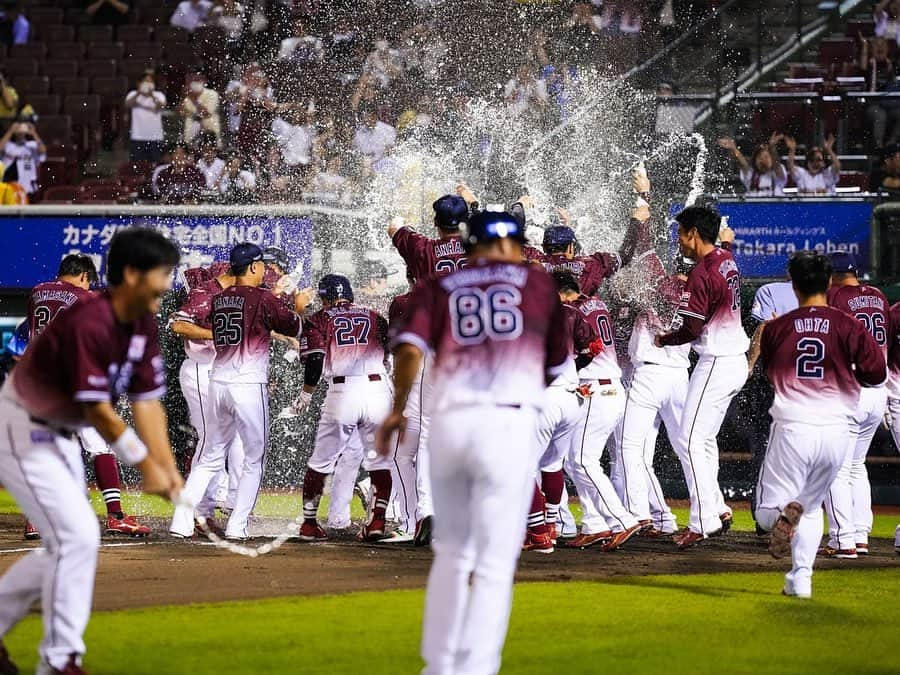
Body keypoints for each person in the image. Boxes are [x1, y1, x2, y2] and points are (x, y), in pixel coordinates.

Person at [376, 210, 570, 674]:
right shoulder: (539, 287)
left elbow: (408, 350)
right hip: (507, 423)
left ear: (470, 244)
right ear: (515, 244)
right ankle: (477, 667)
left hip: (452, 424)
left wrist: (398, 408)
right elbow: (557, 367)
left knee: (453, 556)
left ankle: (439, 666)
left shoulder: (438, 287)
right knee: (494, 564)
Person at [0, 228, 182, 675]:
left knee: (69, 545)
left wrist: (168, 466)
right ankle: (61, 659)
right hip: (22, 427)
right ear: (132, 275)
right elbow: (97, 410)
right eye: (160, 278)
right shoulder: (88, 320)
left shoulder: (140, 323)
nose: (164, 290)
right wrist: (145, 463)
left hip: (57, 431)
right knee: (77, 538)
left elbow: (147, 402)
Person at [755, 252, 885, 599]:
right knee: (812, 508)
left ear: (793, 285)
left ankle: (781, 515)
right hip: (837, 431)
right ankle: (800, 580)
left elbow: (772, 373)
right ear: (829, 283)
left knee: (765, 514)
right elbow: (877, 373)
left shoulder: (778, 328)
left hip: (792, 427)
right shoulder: (849, 324)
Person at [169, 243, 310, 541]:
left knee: (209, 456)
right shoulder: (262, 298)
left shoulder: (219, 299)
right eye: (261, 266)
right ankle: (237, 524)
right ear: (254, 267)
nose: (264, 271)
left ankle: (180, 521)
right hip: (247, 384)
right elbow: (295, 327)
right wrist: (297, 306)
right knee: (253, 457)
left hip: (218, 382)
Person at [23, 254, 152, 541]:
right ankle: (116, 517)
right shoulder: (85, 298)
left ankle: (35, 519)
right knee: (99, 445)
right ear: (83, 276)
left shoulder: (36, 293)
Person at [655, 205, 750, 548]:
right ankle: (717, 507)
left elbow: (691, 329)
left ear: (693, 233)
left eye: (681, 233)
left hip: (717, 362)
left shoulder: (702, 272)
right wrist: (727, 240)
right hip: (733, 360)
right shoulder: (726, 258)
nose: (678, 240)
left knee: (689, 439)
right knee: (702, 439)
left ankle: (702, 520)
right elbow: (725, 245)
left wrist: (663, 338)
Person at [296, 274, 394, 542]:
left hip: (342, 391)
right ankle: (376, 523)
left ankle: (309, 524)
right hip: (377, 390)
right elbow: (389, 356)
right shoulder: (375, 315)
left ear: (324, 296)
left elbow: (315, 360)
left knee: (321, 462)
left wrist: (306, 394)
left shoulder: (318, 319)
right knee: (380, 462)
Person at [555, 271, 643, 550]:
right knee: (572, 459)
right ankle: (594, 523)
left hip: (597, 389)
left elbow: (576, 355)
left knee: (582, 459)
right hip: (608, 387)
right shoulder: (596, 303)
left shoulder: (571, 311)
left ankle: (621, 519)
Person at [822, 251, 891, 557]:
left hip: (850, 390)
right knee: (855, 466)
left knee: (834, 469)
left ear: (832, 274)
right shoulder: (878, 296)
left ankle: (842, 539)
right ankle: (861, 533)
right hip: (878, 391)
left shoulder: (835, 297)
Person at [615, 252, 689, 538]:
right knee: (690, 447)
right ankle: (706, 510)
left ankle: (638, 514)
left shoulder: (663, 286)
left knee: (630, 447)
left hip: (650, 374)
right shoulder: (698, 293)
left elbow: (646, 253)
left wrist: (642, 219)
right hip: (680, 375)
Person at [169, 262, 243, 534]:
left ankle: (212, 506)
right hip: (201, 369)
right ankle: (194, 511)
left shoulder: (233, 296)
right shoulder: (204, 294)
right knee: (210, 441)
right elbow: (178, 325)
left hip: (222, 371)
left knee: (233, 438)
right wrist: (215, 333)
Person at [388, 191, 470, 282]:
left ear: (435, 222)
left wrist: (404, 220)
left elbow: (393, 228)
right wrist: (474, 204)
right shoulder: (479, 247)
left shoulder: (422, 248)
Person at [718, 134, 787, 197]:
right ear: (755, 160)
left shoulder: (777, 174)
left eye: (766, 157)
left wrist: (772, 148)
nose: (763, 160)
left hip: (775, 208)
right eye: (760, 157)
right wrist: (733, 149)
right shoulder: (750, 174)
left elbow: (777, 165)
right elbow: (742, 163)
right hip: (753, 208)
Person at [125, 70, 166, 164]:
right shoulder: (133, 94)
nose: (148, 84)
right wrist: (139, 92)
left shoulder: (159, 95)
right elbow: (127, 104)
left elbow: (161, 106)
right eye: (145, 81)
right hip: (138, 137)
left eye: (150, 81)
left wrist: (151, 95)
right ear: (139, 83)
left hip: (155, 138)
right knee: (137, 166)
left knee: (155, 164)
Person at [0, 120, 46, 195]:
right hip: (9, 182)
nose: (21, 131)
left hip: (27, 184)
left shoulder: (32, 145)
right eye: (18, 128)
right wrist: (11, 131)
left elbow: (43, 150)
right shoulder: (8, 145)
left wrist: (34, 133)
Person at [178, 74, 221, 147]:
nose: (195, 82)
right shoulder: (188, 96)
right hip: (190, 138)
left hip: (209, 134)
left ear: (204, 81)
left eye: (198, 80)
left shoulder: (212, 94)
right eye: (193, 80)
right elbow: (180, 112)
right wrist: (182, 96)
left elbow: (206, 114)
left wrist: (193, 98)